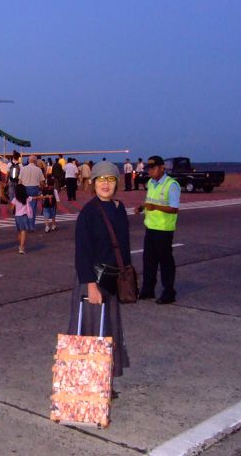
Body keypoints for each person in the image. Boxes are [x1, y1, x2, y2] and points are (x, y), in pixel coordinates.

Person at [67, 160, 131, 390]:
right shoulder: (89, 213)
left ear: (117, 183)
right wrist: (90, 285)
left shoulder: (119, 208)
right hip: (92, 280)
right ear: (93, 183)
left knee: (109, 331)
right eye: (101, 179)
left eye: (111, 179)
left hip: (112, 280)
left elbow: (122, 246)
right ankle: (86, 384)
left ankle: (104, 382)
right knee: (90, 331)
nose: (106, 184)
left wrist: (126, 275)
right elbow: (82, 253)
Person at [135, 155, 181, 304]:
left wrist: (155, 207)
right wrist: (142, 207)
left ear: (162, 168)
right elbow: (150, 202)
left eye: (153, 168)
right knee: (149, 260)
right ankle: (148, 289)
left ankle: (169, 292)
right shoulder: (151, 183)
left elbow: (174, 208)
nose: (150, 171)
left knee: (165, 262)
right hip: (150, 227)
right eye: (149, 169)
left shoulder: (171, 185)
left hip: (163, 229)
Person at [10, 184, 48, 254]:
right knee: (24, 231)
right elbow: (35, 197)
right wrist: (45, 196)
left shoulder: (15, 199)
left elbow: (12, 208)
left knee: (20, 231)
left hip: (17, 217)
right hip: (24, 216)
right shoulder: (26, 198)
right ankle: (21, 247)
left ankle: (21, 245)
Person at [18, 154, 45, 231]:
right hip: (34, 188)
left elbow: (20, 181)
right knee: (32, 208)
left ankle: (25, 225)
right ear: (35, 161)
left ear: (28, 160)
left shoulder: (23, 169)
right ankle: (31, 226)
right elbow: (42, 182)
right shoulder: (38, 169)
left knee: (24, 207)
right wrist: (43, 188)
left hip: (24, 188)